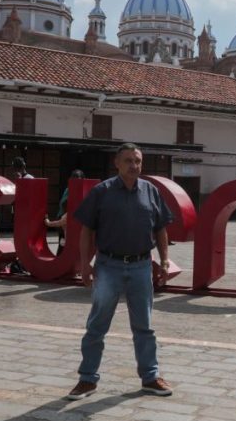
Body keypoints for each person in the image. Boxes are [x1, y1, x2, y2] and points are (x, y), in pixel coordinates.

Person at [66, 143, 174, 401]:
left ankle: (150, 376)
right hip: (108, 266)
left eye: (137, 161)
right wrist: (85, 264)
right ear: (116, 163)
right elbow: (86, 230)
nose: (134, 166)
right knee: (97, 325)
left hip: (141, 267)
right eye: (128, 161)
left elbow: (160, 228)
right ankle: (87, 379)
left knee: (144, 327)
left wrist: (165, 260)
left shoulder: (151, 191)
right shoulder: (101, 192)